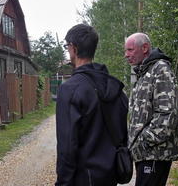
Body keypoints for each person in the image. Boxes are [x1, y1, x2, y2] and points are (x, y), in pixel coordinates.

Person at [55, 24, 129, 186]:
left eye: (67, 46)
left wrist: (63, 182)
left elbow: (67, 147)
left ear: (73, 48)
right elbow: (123, 135)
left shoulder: (69, 89)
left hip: (83, 178)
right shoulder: (116, 87)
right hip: (110, 176)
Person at [124, 33, 178, 186]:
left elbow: (169, 114)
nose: (126, 55)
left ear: (144, 48)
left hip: (155, 153)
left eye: (130, 50)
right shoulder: (144, 72)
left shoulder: (160, 70)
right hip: (146, 154)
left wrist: (143, 142)